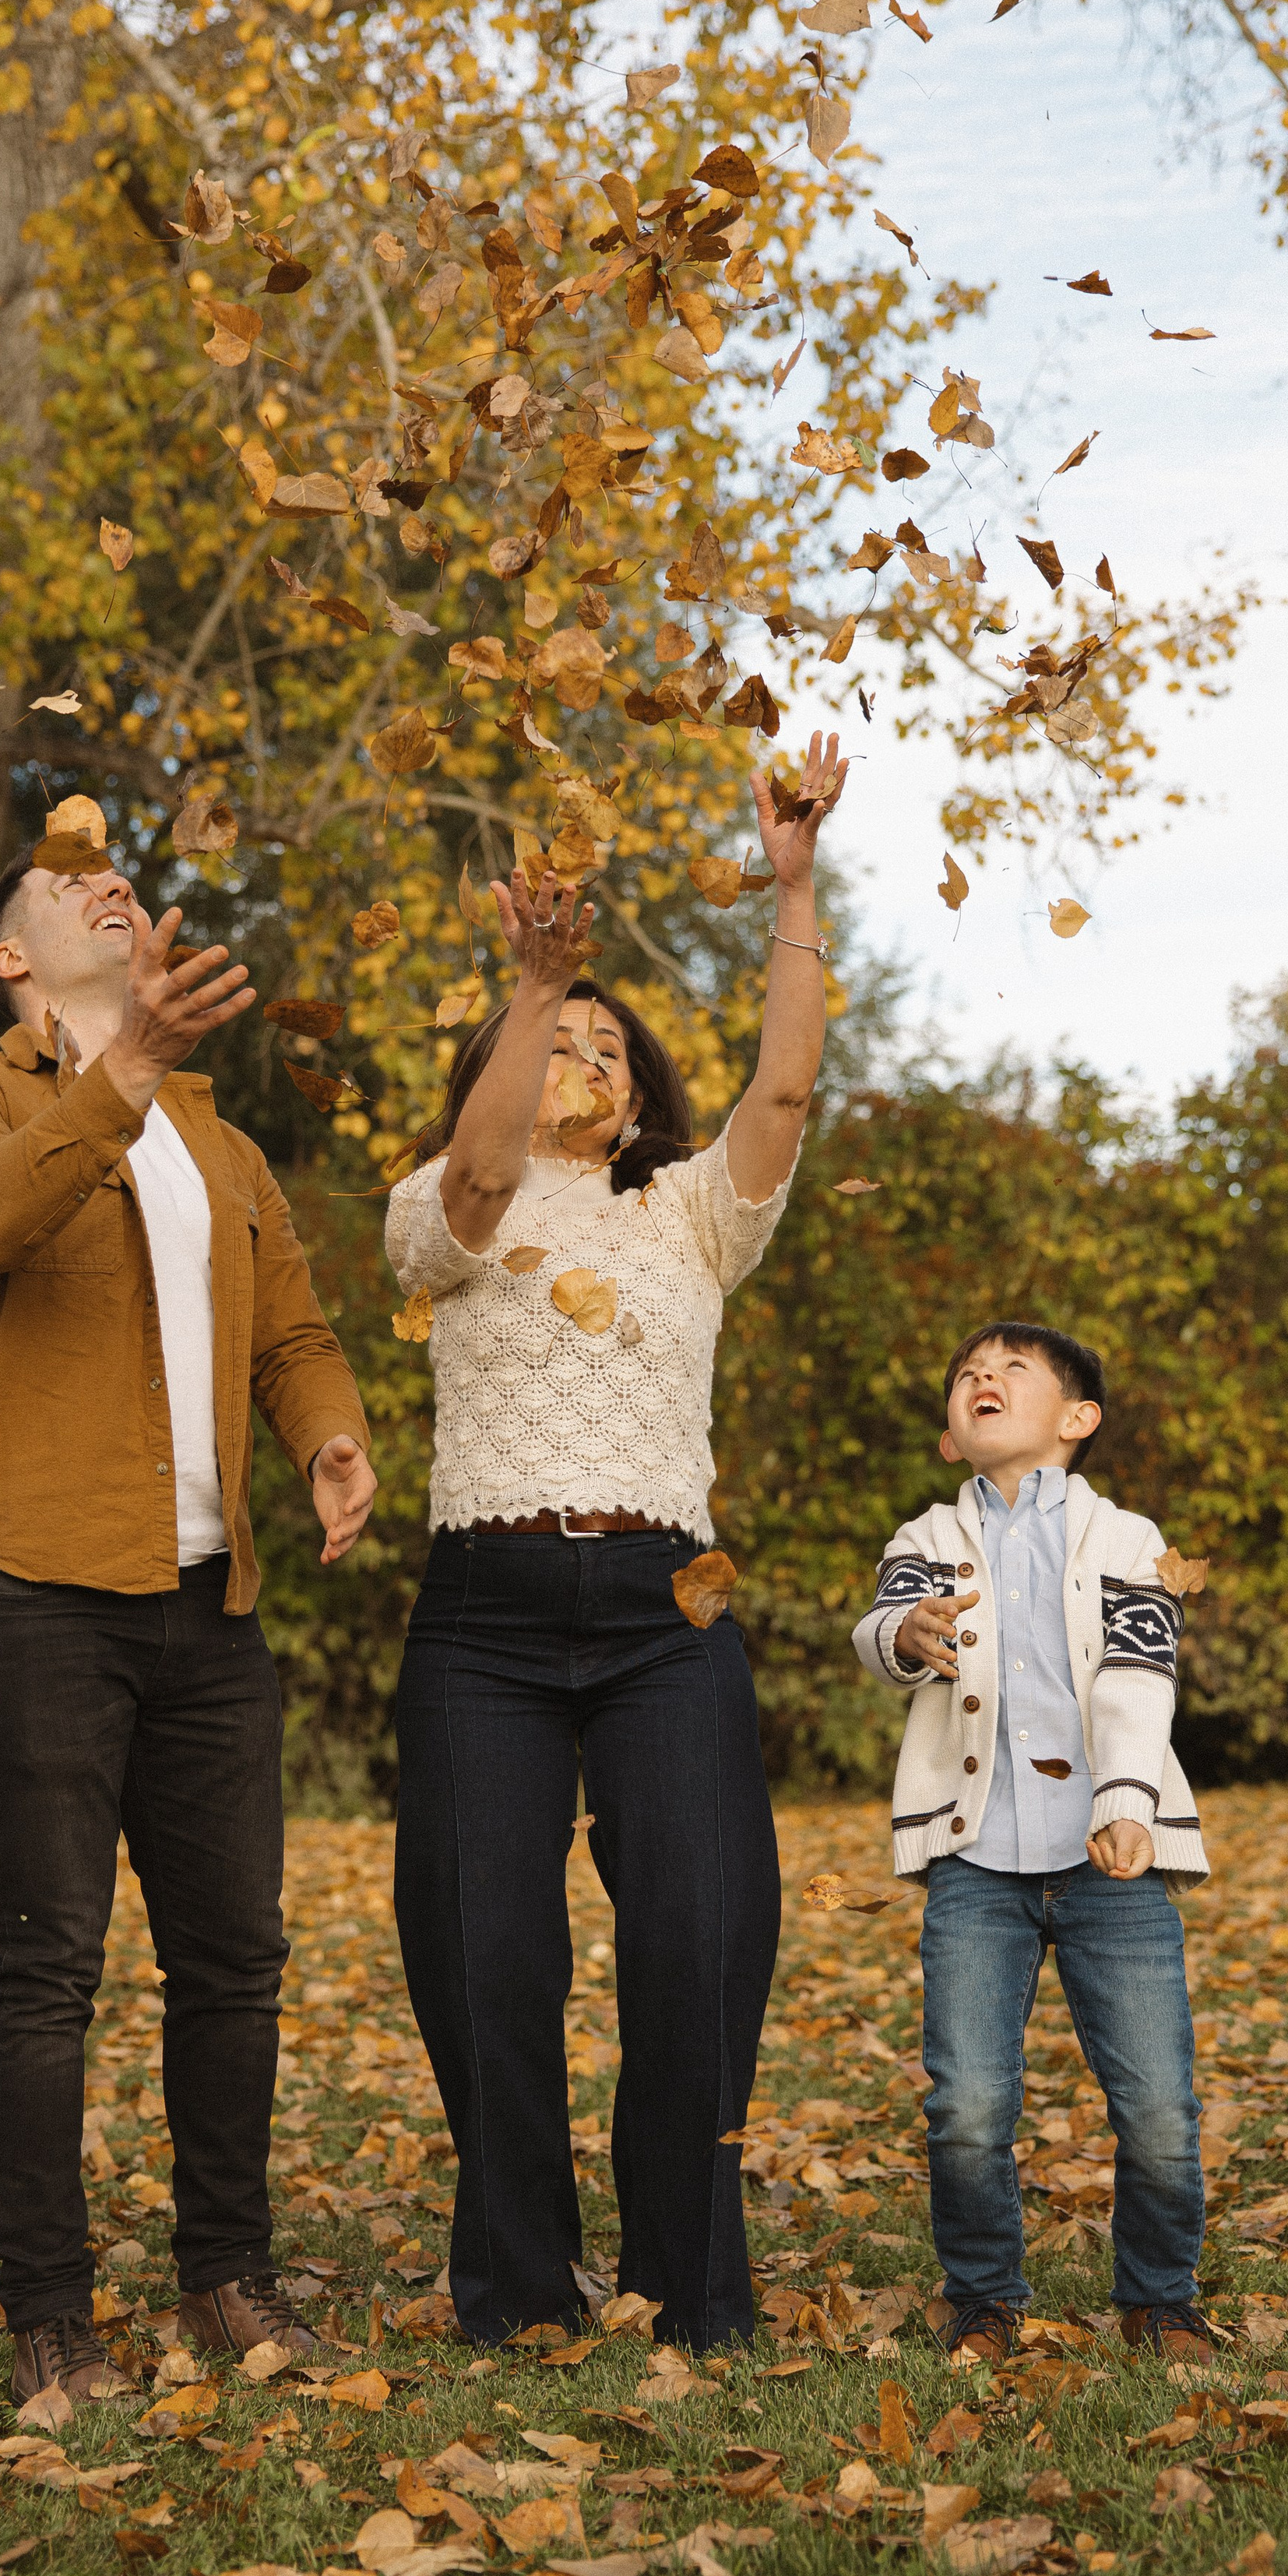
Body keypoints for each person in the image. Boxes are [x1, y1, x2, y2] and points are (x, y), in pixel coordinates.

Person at [0, 853, 377, 2406]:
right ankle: (53, 2321)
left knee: (233, 1958)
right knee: (43, 1967)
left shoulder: (220, 1142)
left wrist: (324, 1437)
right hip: (23, 1594)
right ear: (12, 960)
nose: (104, 884)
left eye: (116, 873)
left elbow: (290, 1326)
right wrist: (122, 1076)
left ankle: (227, 2279)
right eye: (64, 882)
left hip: (201, 1608)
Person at [385, 735, 848, 2352]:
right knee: (479, 1951)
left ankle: (685, 2287)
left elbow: (782, 1085)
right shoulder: (445, 1202)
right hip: (482, 1621)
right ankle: (517, 2285)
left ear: (643, 1093)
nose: (583, 1053)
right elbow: (490, 1158)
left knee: (701, 1938)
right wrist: (530, 989)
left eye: (605, 1042)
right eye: (552, 1040)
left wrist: (789, 888)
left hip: (666, 1614)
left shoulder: (692, 1214)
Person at [852, 1322, 1220, 2363]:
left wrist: (1129, 1805)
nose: (983, 1377)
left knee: (1155, 2103)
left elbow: (1140, 1678)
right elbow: (883, 1627)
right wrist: (903, 1634)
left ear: (1075, 1419)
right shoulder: (923, 1539)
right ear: (948, 1435)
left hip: (1116, 1862)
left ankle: (1160, 2295)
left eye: (1012, 1369)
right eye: (967, 1370)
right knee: (968, 2101)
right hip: (976, 1869)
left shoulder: (1131, 1539)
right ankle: (982, 2294)